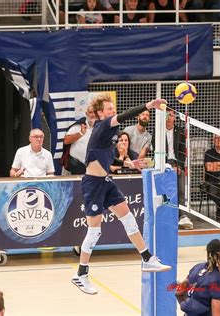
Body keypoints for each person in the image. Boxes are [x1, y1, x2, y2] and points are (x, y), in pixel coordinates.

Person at [71, 94, 171, 295]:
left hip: (106, 181)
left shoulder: (109, 133)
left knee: (129, 219)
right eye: (109, 109)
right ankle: (81, 274)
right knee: (94, 231)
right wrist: (148, 104)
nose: (112, 111)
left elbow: (105, 157)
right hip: (92, 185)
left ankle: (147, 259)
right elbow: (125, 116)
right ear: (100, 113)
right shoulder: (103, 126)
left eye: (112, 108)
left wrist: (128, 163)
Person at [165, 109, 194, 230]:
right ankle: (168, 216)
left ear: (175, 118)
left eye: (171, 115)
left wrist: (179, 166)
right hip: (165, 165)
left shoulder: (180, 131)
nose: (169, 117)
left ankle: (183, 215)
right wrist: (166, 165)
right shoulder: (158, 131)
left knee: (181, 190)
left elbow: (183, 151)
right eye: (167, 115)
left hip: (177, 164)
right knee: (166, 191)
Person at [63, 105, 96, 175]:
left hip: (93, 167)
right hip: (77, 165)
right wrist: (80, 133)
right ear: (86, 114)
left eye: (94, 112)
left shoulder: (99, 127)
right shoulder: (79, 125)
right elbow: (66, 141)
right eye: (90, 112)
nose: (93, 115)